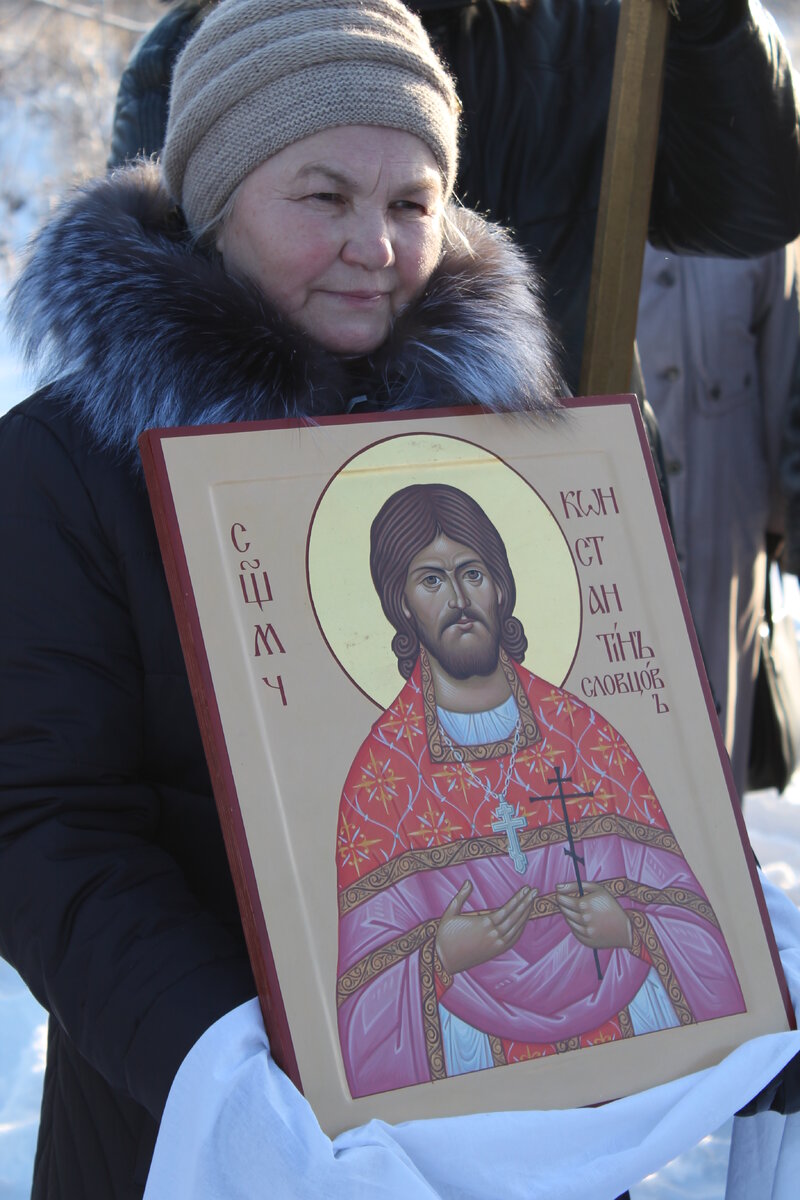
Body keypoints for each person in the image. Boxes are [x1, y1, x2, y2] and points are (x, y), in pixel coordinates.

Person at [0, 2, 567, 1197]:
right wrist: (239, 1082)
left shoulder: (514, 460)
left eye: (411, 203)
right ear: (216, 197)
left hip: (504, 1111)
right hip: (203, 1123)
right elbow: (43, 821)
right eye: (323, 197)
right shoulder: (66, 469)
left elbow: (591, 737)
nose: (376, 245)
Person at [108, 0, 800, 393]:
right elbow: (156, 324)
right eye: (325, 195)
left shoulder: (602, 28)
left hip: (558, 483)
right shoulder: (210, 45)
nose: (376, 248)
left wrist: (711, 17)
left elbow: (749, 214)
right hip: (271, 504)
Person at [336, 483, 744, 1096]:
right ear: (400, 605)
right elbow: (360, 1016)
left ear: (501, 584)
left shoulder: (585, 737)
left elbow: (702, 933)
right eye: (430, 581)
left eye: (471, 573)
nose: (457, 598)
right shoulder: (380, 777)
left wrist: (631, 929)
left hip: (622, 1067)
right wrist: (439, 958)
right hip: (471, 1088)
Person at [635, 242, 800, 799]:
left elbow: (783, 370)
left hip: (725, 512)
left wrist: (782, 517)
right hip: (613, 504)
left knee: (714, 727)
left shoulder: (761, 201)